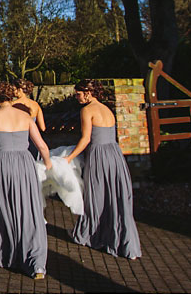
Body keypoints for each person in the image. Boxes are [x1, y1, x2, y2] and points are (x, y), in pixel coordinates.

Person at [0, 81, 52, 279]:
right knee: (28, 208)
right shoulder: (25, 117)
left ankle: (7, 254)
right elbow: (41, 145)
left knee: (5, 208)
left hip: (3, 165)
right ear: (12, 97)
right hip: (25, 163)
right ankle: (35, 261)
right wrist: (48, 164)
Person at [65, 79, 141, 259]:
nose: (77, 97)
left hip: (99, 155)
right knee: (116, 196)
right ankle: (121, 239)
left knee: (96, 195)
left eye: (78, 94)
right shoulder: (107, 109)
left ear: (88, 93)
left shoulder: (87, 110)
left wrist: (69, 157)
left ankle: (93, 234)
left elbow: (85, 139)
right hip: (114, 154)